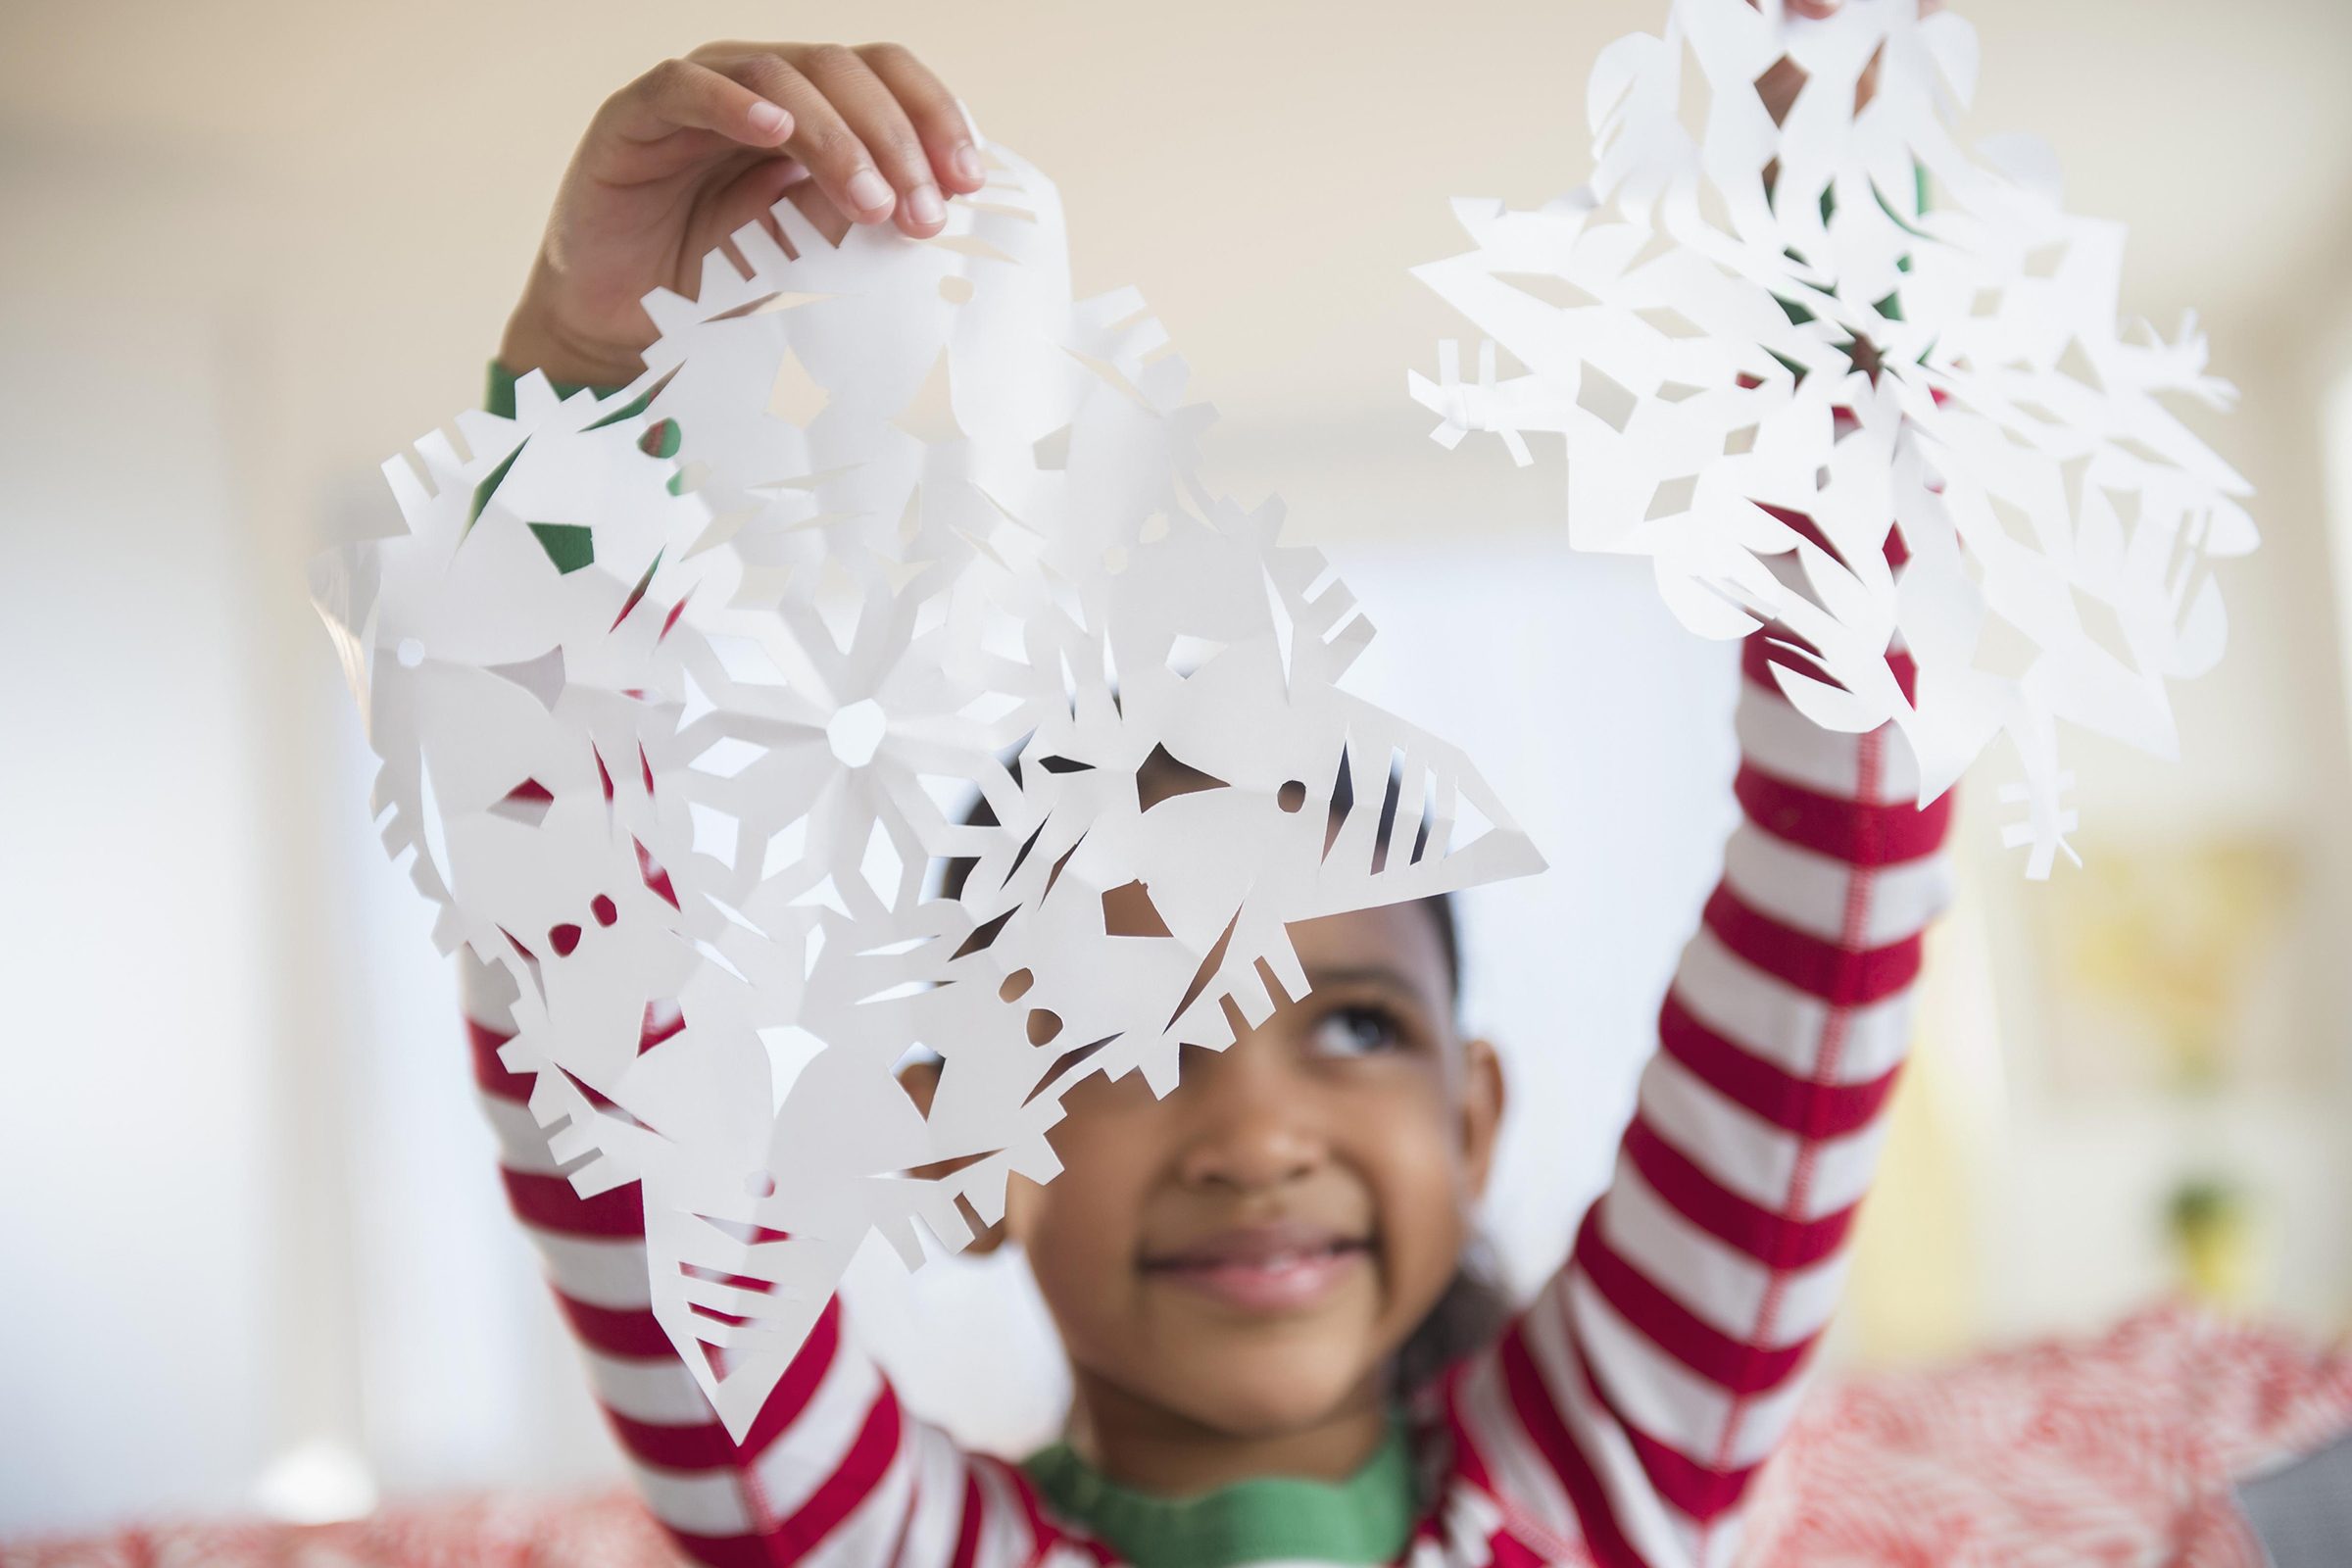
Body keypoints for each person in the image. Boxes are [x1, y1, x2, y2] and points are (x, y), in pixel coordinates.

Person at [463, 24, 1954, 1568]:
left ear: (1475, 1117)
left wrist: (1828, 266)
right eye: (1124, 1034)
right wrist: (582, 381)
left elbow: (1850, 847)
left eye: (1359, 1027)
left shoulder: (1607, 1474)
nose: (1255, 1139)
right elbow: (593, 1024)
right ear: (952, 1158)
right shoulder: (890, 1547)